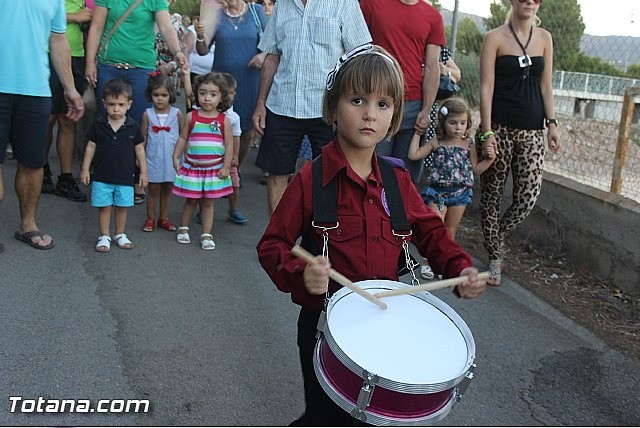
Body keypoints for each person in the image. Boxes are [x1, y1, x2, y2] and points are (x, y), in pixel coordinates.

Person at [256, 44, 487, 426]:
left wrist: (459, 267)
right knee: (326, 416)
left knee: (375, 418)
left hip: (383, 324)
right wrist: (303, 275)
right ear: (333, 108)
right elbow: (272, 246)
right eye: (357, 100)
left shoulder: (397, 181)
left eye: (383, 104)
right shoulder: (310, 180)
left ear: (395, 115)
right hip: (323, 327)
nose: (369, 114)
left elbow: (430, 231)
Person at [251, 0, 372, 215]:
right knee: (277, 174)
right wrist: (260, 103)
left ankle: (323, 240)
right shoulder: (283, 5)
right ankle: (278, 242)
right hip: (282, 106)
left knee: (332, 175)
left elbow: (360, 57)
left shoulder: (343, 3)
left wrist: (357, 107)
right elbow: (271, 56)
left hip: (328, 110)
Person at [478, 0, 561, 285]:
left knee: (528, 196)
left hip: (531, 131)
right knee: (491, 194)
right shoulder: (494, 38)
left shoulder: (545, 38)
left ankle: (497, 233)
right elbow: (486, 86)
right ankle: (494, 256)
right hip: (498, 129)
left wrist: (552, 124)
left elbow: (546, 85)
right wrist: (486, 132)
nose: (530, 2)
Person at [0, 0, 85, 252]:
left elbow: (58, 40)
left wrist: (69, 87)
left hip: (36, 89)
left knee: (33, 162)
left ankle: (27, 226)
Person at [84, 0, 187, 205]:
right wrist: (89, 63)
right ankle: (106, 177)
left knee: (138, 126)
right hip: (109, 66)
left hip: (141, 69)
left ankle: (137, 177)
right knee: (108, 124)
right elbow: (96, 27)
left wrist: (177, 52)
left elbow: (166, 26)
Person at [408, 98, 495, 279]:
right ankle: (428, 262)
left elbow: (475, 169)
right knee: (436, 228)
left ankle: (442, 264)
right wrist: (417, 133)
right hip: (437, 193)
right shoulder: (436, 142)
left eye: (462, 123)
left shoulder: (469, 145)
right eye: (453, 123)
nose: (458, 127)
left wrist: (489, 160)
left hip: (460, 194)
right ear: (444, 122)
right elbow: (414, 155)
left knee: (450, 231)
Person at [360, 0, 446, 185]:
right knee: (372, 172)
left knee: (404, 177)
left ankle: (398, 214)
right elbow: (358, 49)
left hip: (413, 105)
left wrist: (426, 110)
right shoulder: (372, 4)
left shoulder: (433, 17)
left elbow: (432, 67)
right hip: (378, 102)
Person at [197, 0, 267, 194]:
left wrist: (262, 56)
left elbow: (272, 42)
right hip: (220, 84)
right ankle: (213, 171)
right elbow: (202, 50)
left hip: (249, 80)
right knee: (216, 128)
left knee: (246, 131)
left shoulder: (256, 11)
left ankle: (237, 168)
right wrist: (201, 36)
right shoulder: (217, 14)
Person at [80, 79, 147, 252]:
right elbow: (91, 146)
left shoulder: (133, 126)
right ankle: (104, 235)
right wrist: (85, 169)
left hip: (125, 176)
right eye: (111, 104)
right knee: (104, 207)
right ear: (104, 104)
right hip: (102, 175)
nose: (116, 109)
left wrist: (144, 173)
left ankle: (120, 233)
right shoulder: (99, 124)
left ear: (129, 105)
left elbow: (139, 150)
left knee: (122, 207)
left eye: (120, 104)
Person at [172, 72, 233, 251]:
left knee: (208, 202)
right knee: (191, 200)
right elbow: (183, 139)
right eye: (203, 93)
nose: (207, 98)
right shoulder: (192, 117)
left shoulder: (224, 120)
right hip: (193, 167)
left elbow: (229, 145)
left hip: (214, 169)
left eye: (213, 94)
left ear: (221, 97)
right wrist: (176, 156)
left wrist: (226, 166)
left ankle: (206, 233)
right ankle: (183, 228)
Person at [43, 0, 93, 202]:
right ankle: (41, 170)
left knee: (68, 118)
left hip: (77, 54)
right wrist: (75, 17)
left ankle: (65, 178)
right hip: (49, 52)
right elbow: (42, 14)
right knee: (48, 117)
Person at [139, 72, 183, 233]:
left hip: (172, 158)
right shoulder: (147, 114)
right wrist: (140, 157)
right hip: (153, 157)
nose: (159, 98)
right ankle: (149, 218)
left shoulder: (176, 113)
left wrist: (183, 156)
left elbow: (183, 136)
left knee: (167, 188)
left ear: (170, 94)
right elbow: (143, 136)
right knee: (153, 188)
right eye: (156, 94)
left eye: (163, 95)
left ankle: (163, 218)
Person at [185, 15, 215, 112]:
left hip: (214, 74)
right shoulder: (193, 31)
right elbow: (186, 50)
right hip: (197, 74)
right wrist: (184, 72)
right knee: (195, 102)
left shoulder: (218, 29)